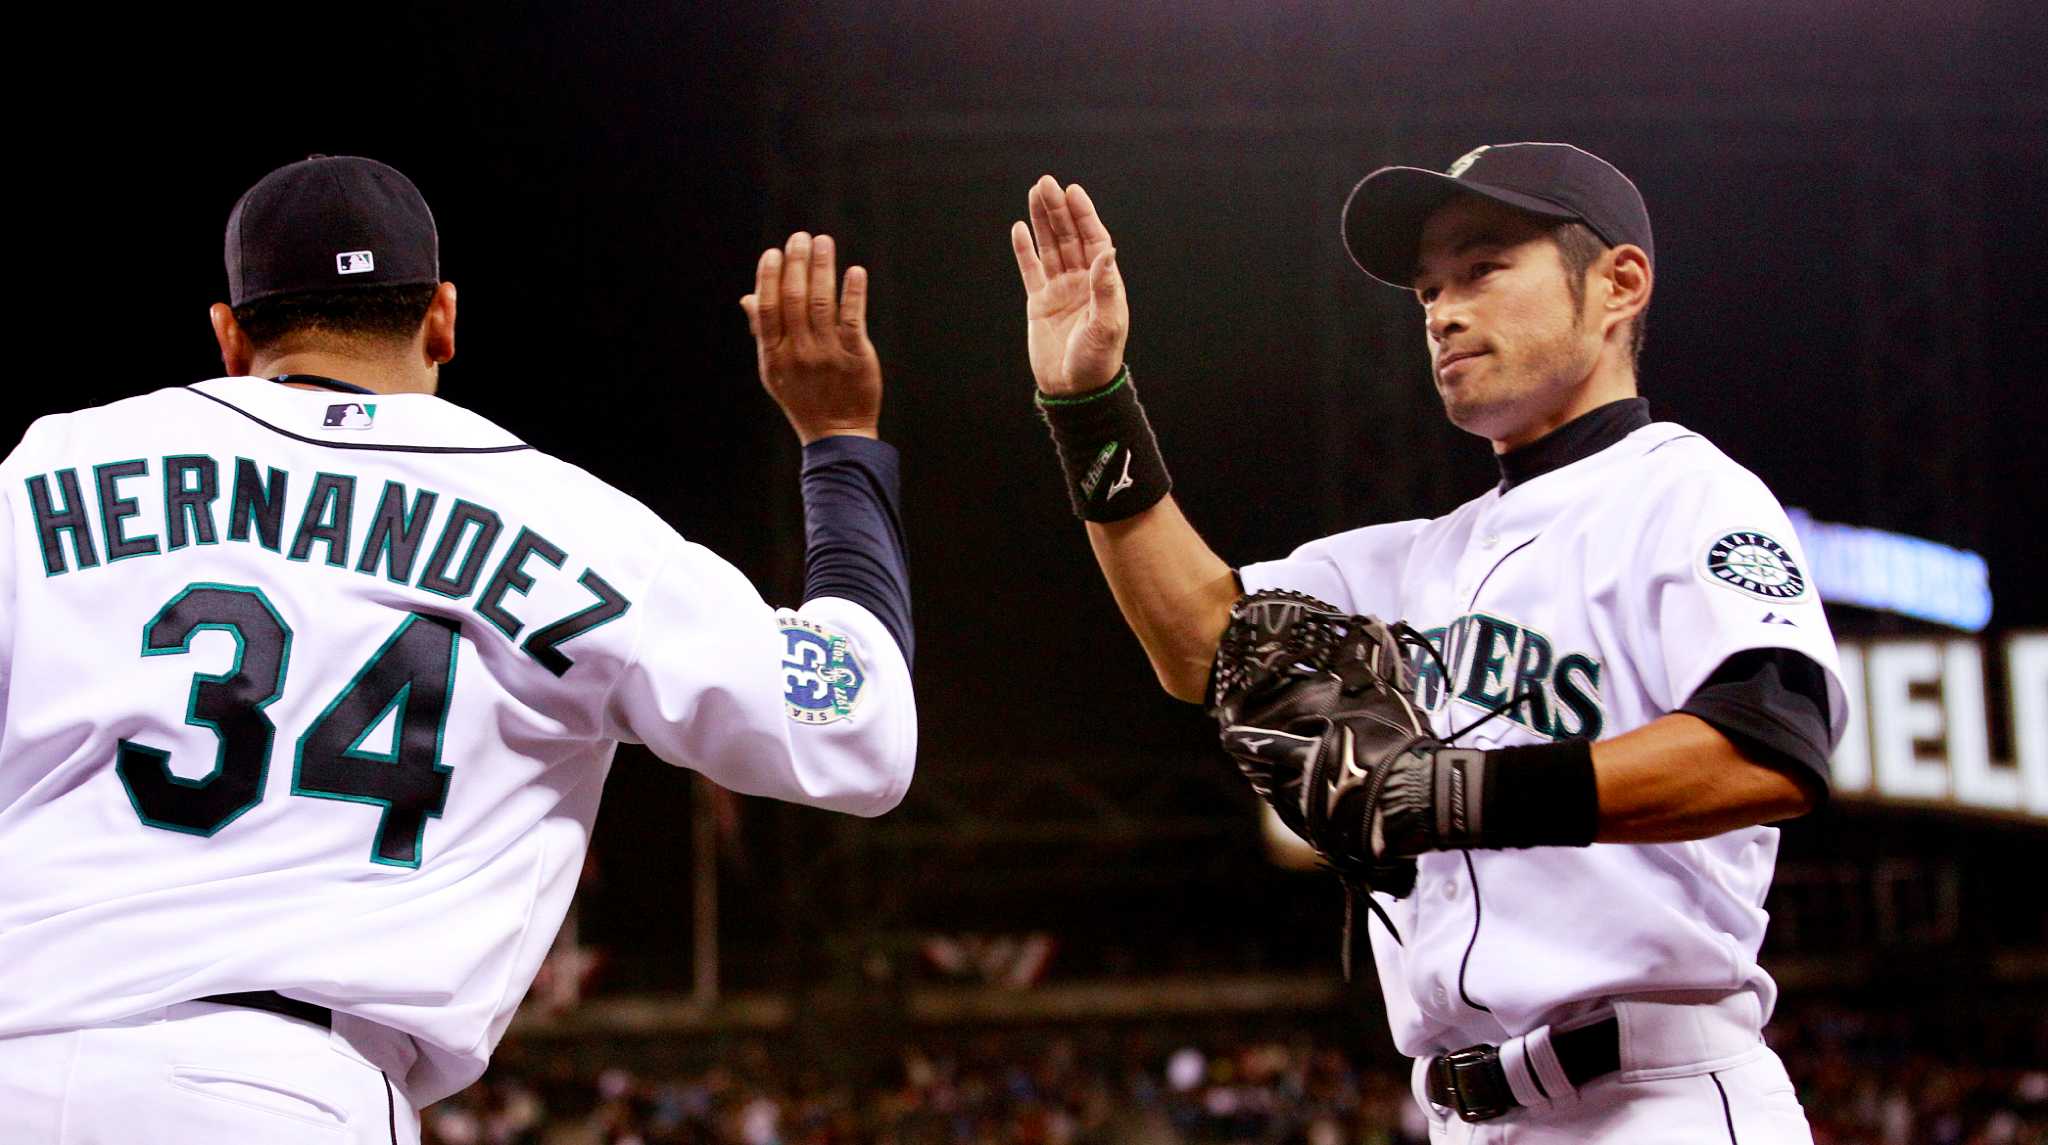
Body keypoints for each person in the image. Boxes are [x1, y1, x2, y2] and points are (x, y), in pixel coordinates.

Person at [0, 155, 916, 1143]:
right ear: (442, 316)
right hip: (282, 1092)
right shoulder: (572, 524)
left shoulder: (48, 469)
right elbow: (856, 729)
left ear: (229, 334)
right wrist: (839, 440)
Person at [1013, 144, 1845, 1142]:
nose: (1442, 310)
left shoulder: (1683, 492)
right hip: (1458, 1110)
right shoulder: (1412, 558)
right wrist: (1089, 405)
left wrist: (1455, 792)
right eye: (1425, 290)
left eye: (1483, 267)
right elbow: (1196, 645)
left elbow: (1765, 748)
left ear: (1616, 284)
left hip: (1657, 1097)